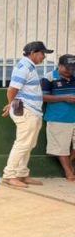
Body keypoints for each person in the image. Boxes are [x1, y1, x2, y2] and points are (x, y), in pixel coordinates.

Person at [1, 40, 53, 188]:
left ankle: (21, 174)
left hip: (31, 110)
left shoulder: (29, 67)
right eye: (42, 53)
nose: (44, 57)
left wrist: (12, 103)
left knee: (29, 144)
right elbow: (12, 89)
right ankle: (9, 175)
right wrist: (12, 104)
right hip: (26, 110)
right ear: (33, 53)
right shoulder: (24, 67)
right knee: (23, 144)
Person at [41, 53, 75, 181]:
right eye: (67, 68)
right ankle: (68, 172)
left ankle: (69, 164)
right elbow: (43, 97)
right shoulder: (49, 77)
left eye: (72, 68)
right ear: (59, 65)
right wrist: (64, 98)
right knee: (61, 148)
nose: (70, 71)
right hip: (58, 118)